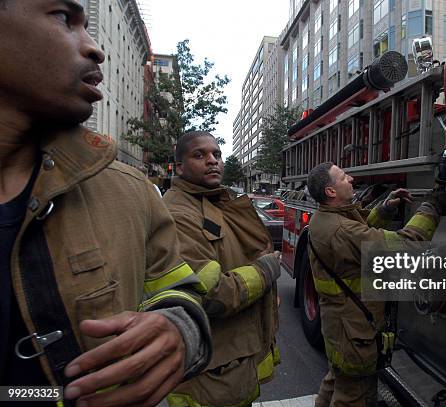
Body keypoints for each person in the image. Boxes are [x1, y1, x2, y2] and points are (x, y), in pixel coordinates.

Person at [0, 1, 212, 406]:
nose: (96, 47)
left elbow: (181, 289)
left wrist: (180, 328)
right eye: (64, 18)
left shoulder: (131, 190)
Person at [306, 162, 446, 407]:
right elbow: (407, 244)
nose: (351, 178)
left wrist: (384, 209)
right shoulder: (341, 230)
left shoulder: (325, 219)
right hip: (353, 332)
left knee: (337, 381)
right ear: (331, 192)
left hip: (340, 328)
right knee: (353, 396)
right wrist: (431, 207)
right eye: (343, 177)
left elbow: (359, 233)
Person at [163, 131, 281, 406]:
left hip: (230, 366)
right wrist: (266, 271)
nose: (212, 160)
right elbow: (212, 294)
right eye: (199, 155)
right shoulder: (179, 214)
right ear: (180, 166)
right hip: (210, 376)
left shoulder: (213, 202)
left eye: (217, 154)